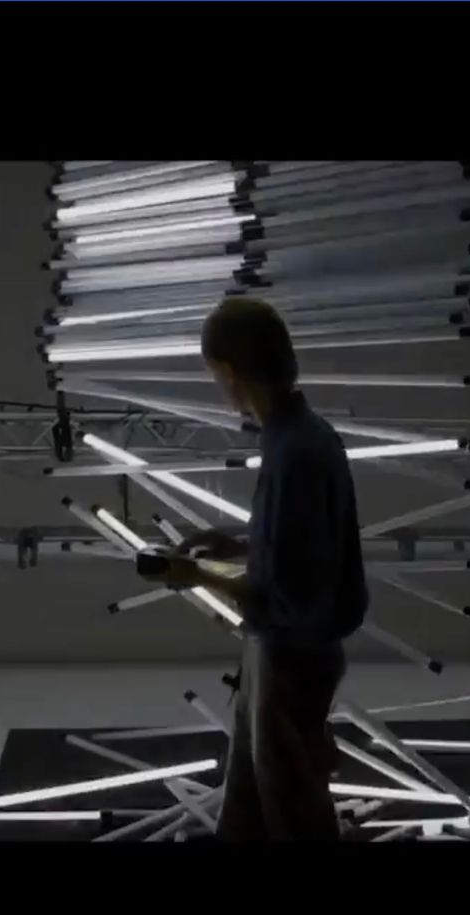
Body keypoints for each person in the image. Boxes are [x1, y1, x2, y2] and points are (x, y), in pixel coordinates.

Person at [139, 296, 368, 841]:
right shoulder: (302, 435)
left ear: (229, 372)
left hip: (292, 658)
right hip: (278, 653)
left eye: (215, 377)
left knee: (293, 814)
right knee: (246, 800)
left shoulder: (296, 452)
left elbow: (285, 594)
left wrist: (195, 576)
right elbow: (299, 545)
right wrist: (235, 542)